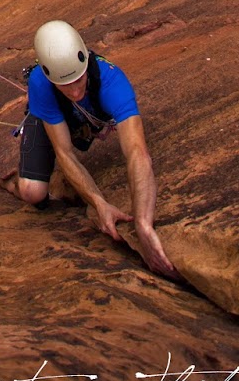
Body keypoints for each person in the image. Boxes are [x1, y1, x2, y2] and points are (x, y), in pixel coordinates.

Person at [15, 19, 177, 278]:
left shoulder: (113, 81)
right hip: (52, 115)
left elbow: (137, 152)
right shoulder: (40, 83)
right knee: (32, 193)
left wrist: (143, 225)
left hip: (87, 113)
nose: (76, 90)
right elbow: (64, 153)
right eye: (66, 85)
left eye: (79, 81)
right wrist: (98, 203)